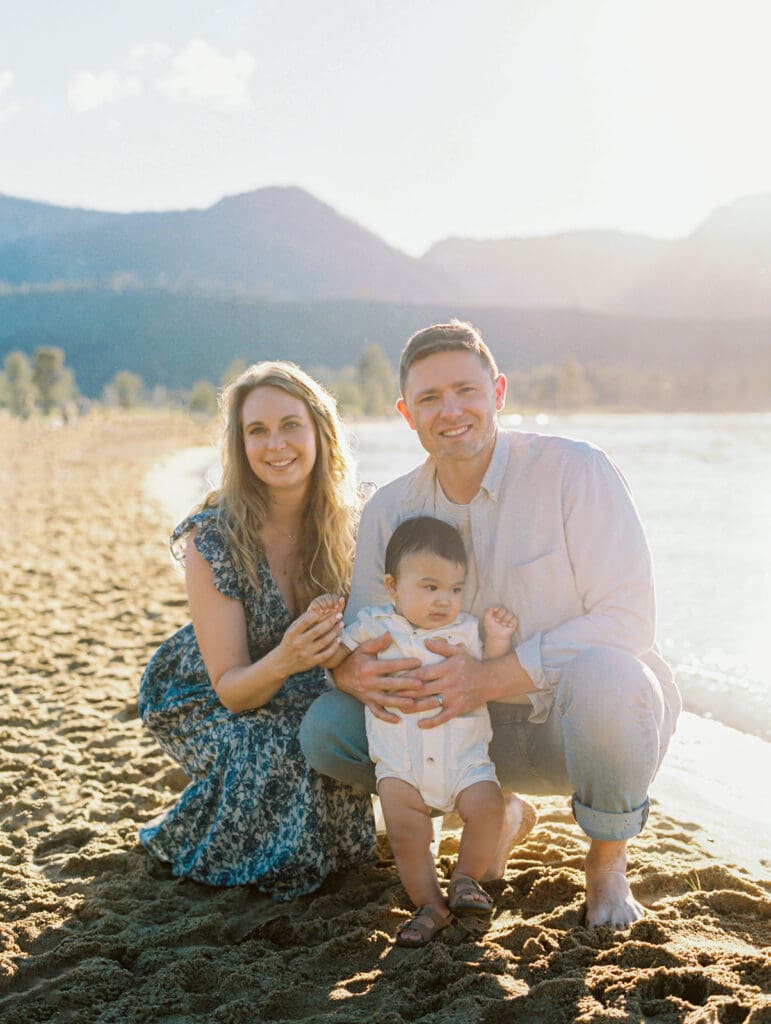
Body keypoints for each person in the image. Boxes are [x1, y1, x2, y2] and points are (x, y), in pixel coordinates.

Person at [300, 320, 682, 929]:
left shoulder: (575, 472)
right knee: (325, 729)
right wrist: (350, 671)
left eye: (465, 391)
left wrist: (490, 676)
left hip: (564, 726)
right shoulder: (390, 509)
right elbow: (369, 627)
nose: (449, 411)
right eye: (429, 398)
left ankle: (608, 862)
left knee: (619, 678)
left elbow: (629, 619)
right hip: (456, 737)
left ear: (498, 392)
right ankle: (494, 814)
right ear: (407, 413)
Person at [138, 361, 375, 899]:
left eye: (291, 425)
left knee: (353, 719)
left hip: (312, 677)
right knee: (278, 740)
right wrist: (289, 659)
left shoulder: (353, 521)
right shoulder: (213, 538)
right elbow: (232, 689)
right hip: (216, 691)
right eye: (257, 430)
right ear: (240, 445)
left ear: (320, 431)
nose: (276, 444)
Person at [313, 515, 527, 946]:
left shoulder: (466, 629)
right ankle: (429, 903)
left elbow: (488, 668)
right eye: (430, 587)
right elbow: (338, 657)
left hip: (463, 759)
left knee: (487, 807)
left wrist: (500, 638)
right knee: (407, 837)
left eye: (455, 589)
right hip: (400, 764)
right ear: (393, 587)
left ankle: (466, 877)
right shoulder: (376, 625)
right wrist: (327, 627)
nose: (444, 600)